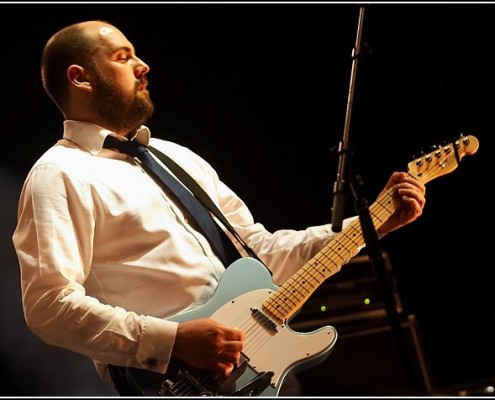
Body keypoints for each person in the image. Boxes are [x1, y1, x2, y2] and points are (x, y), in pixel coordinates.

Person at [12, 20, 426, 396]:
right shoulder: (58, 173)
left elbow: (262, 253)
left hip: (261, 369)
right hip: (176, 382)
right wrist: (172, 340)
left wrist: (372, 223)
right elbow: (49, 305)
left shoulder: (176, 156)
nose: (143, 65)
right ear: (80, 78)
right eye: (123, 57)